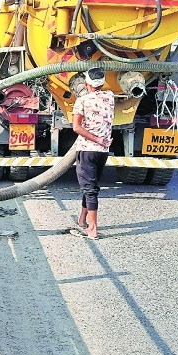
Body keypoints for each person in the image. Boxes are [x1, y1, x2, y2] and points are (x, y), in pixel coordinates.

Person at [70, 67, 114, 240]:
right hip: (102, 152)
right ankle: (82, 219)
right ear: (102, 83)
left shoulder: (82, 101)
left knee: (90, 189)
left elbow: (76, 127)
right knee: (90, 186)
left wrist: (97, 139)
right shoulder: (110, 97)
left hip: (87, 150)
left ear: (86, 83)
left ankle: (93, 228)